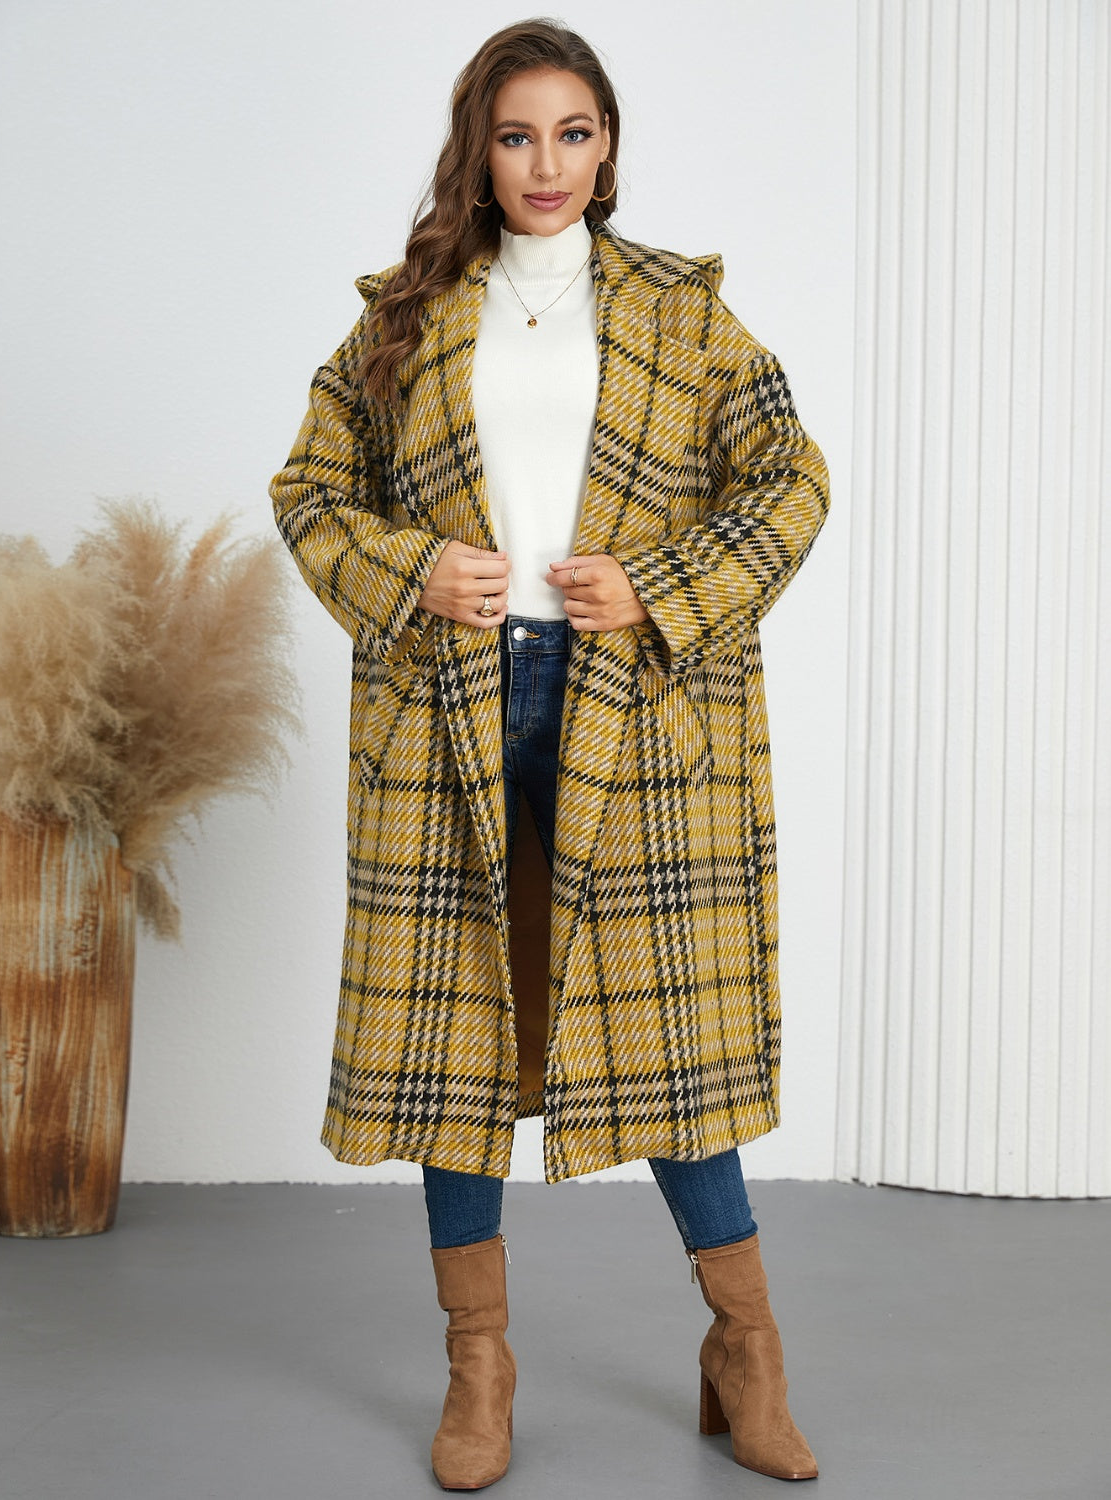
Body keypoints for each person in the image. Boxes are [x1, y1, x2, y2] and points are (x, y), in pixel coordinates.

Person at [270, 19, 829, 1491]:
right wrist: (409, 569)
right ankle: (479, 1366)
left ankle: (745, 1348)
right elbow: (311, 490)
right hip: (450, 709)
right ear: (479, 150)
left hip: (633, 712)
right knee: (459, 1041)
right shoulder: (403, 318)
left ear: (608, 144)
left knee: (670, 1040)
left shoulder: (680, 312)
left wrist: (661, 583)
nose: (546, 163)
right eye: (517, 135)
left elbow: (791, 481)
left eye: (573, 132)